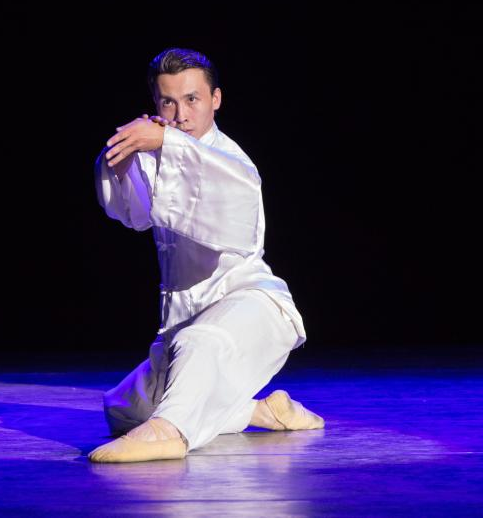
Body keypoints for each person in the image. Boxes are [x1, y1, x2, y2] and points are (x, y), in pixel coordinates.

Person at [88, 47, 324, 464]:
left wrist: (167, 142)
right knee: (124, 407)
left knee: (200, 342)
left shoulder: (232, 162)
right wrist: (125, 162)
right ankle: (258, 411)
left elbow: (220, 199)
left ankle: (169, 432)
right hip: (183, 315)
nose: (181, 115)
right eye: (168, 102)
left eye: (192, 99)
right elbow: (136, 215)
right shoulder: (162, 154)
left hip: (249, 304)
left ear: (215, 99)